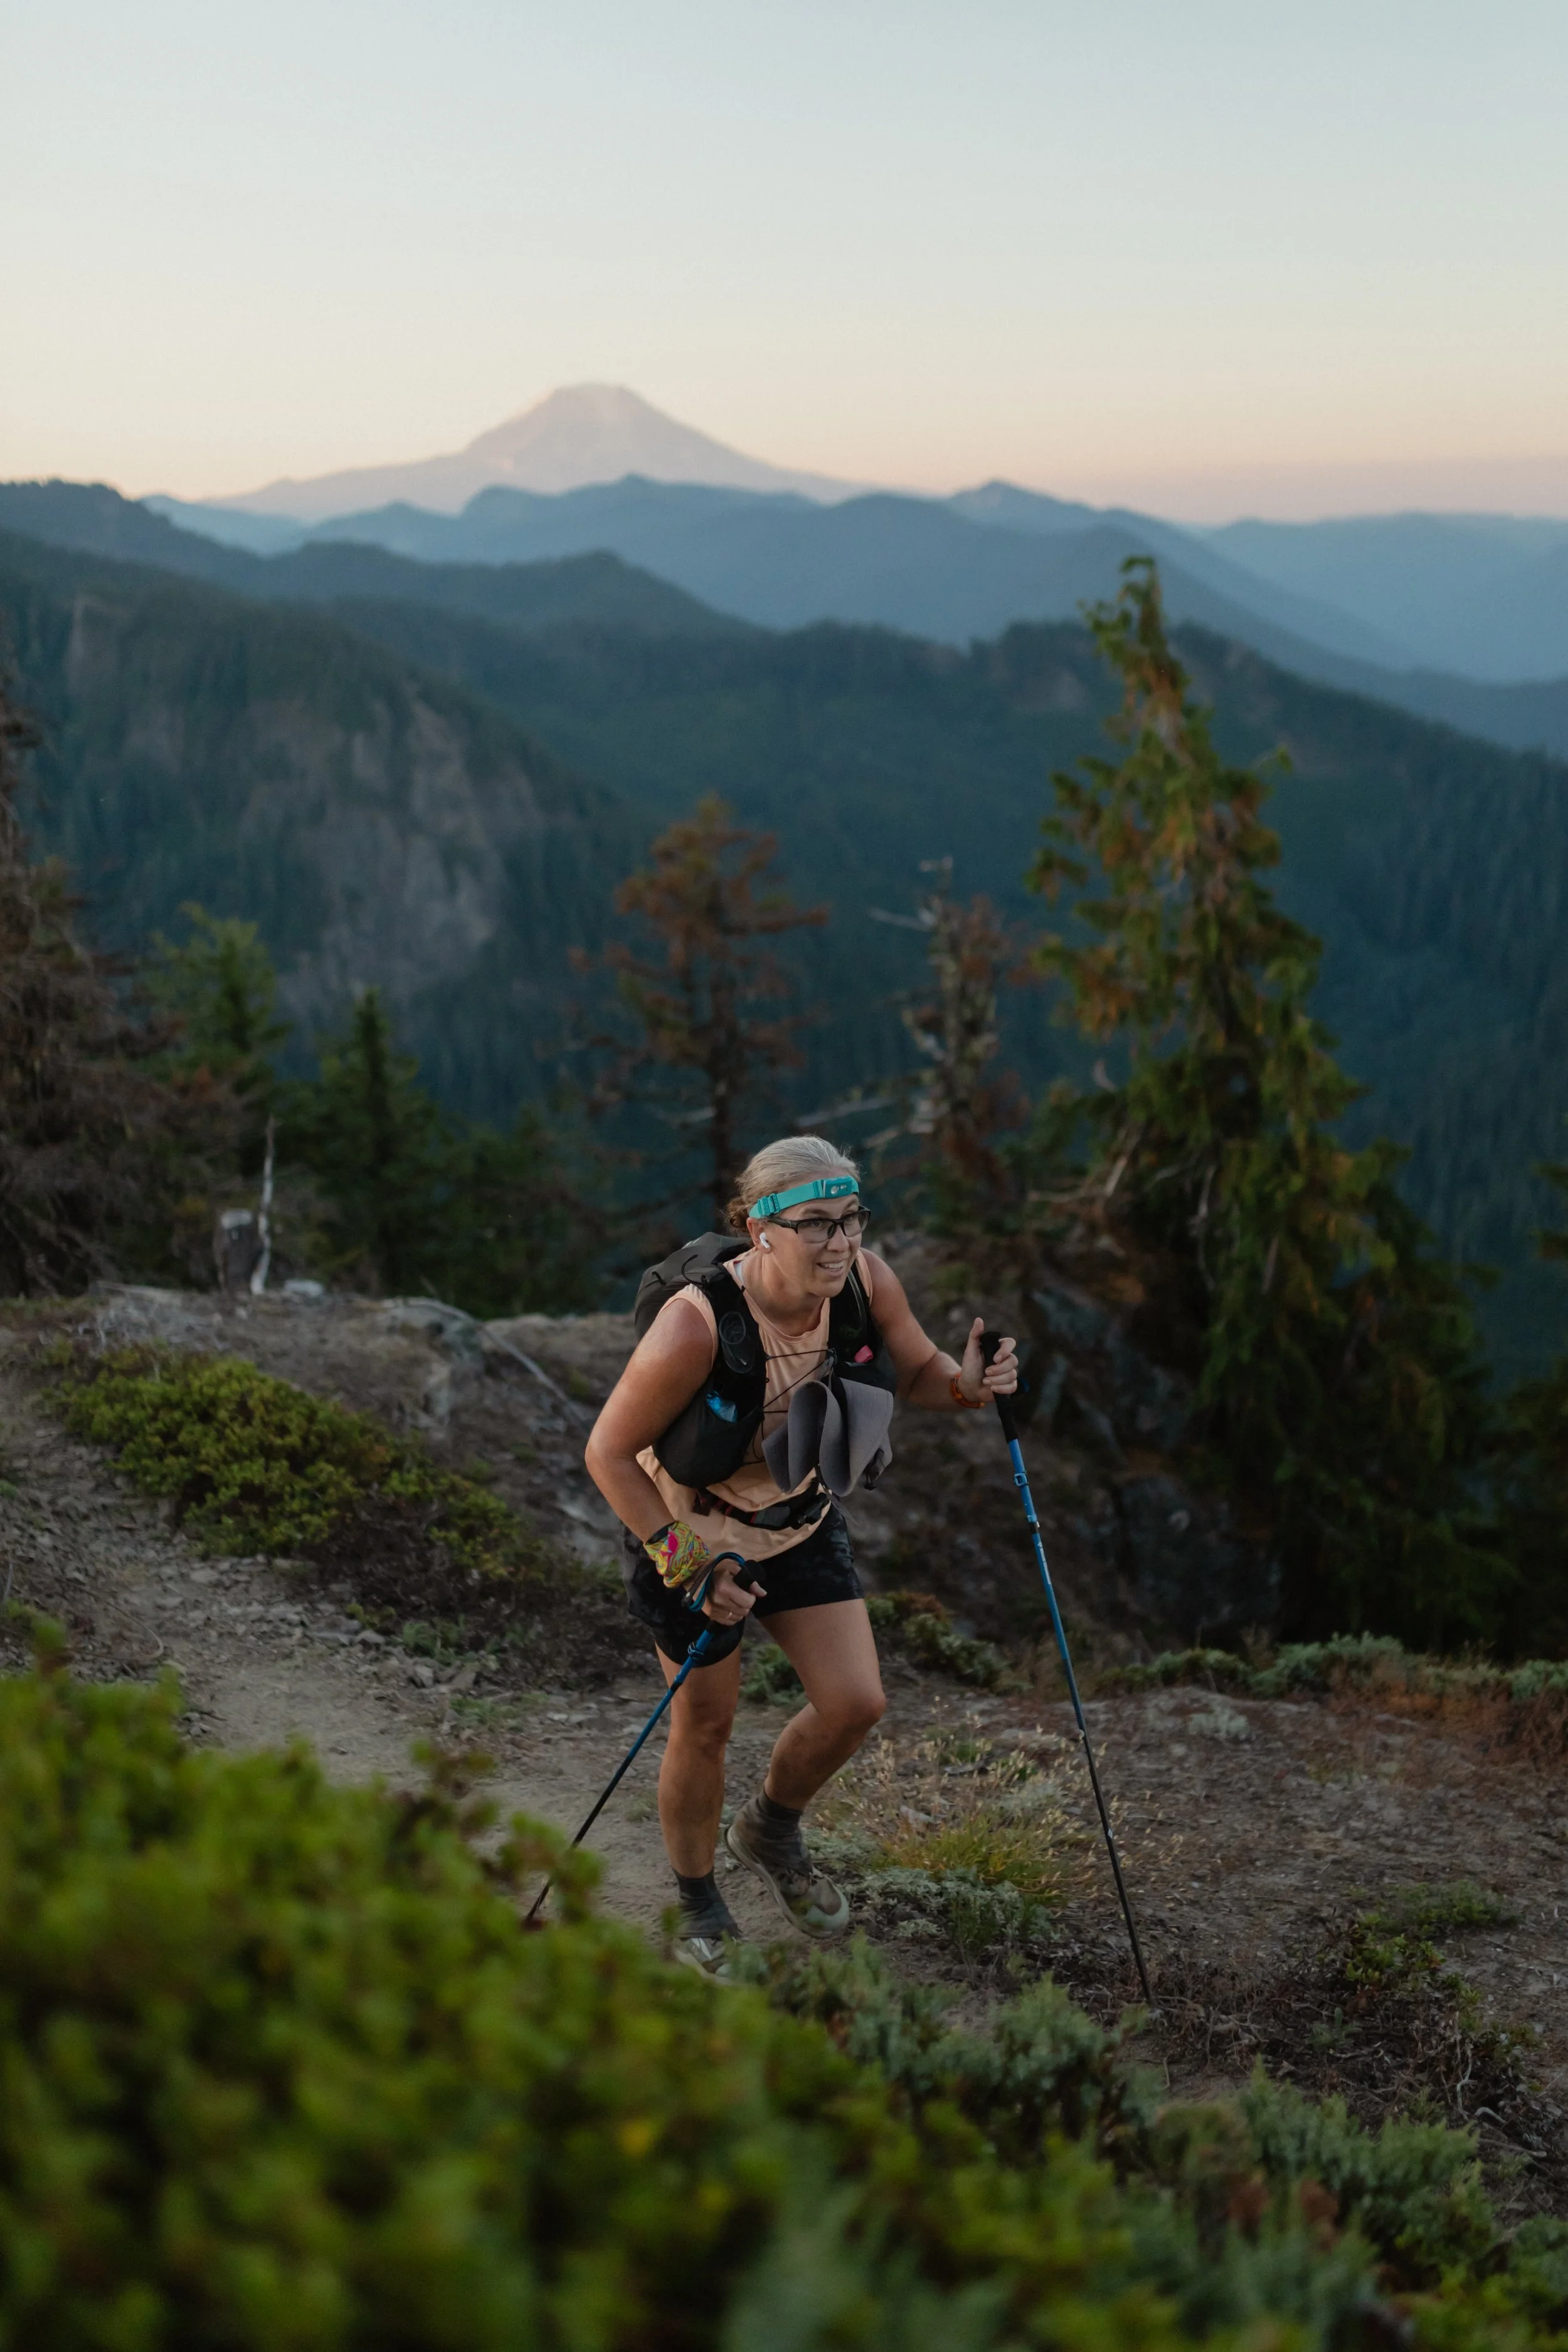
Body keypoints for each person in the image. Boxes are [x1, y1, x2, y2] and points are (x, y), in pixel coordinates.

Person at [584, 1134, 1019, 1971]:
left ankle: (770, 1830)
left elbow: (922, 1369)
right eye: (815, 1222)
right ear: (761, 1230)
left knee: (856, 1700)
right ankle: (697, 1898)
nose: (840, 1241)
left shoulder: (864, 1279)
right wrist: (689, 1565)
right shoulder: (696, 1324)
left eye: (851, 1218)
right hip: (688, 1530)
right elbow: (608, 1452)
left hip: (797, 1514)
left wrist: (969, 1384)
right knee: (705, 1723)